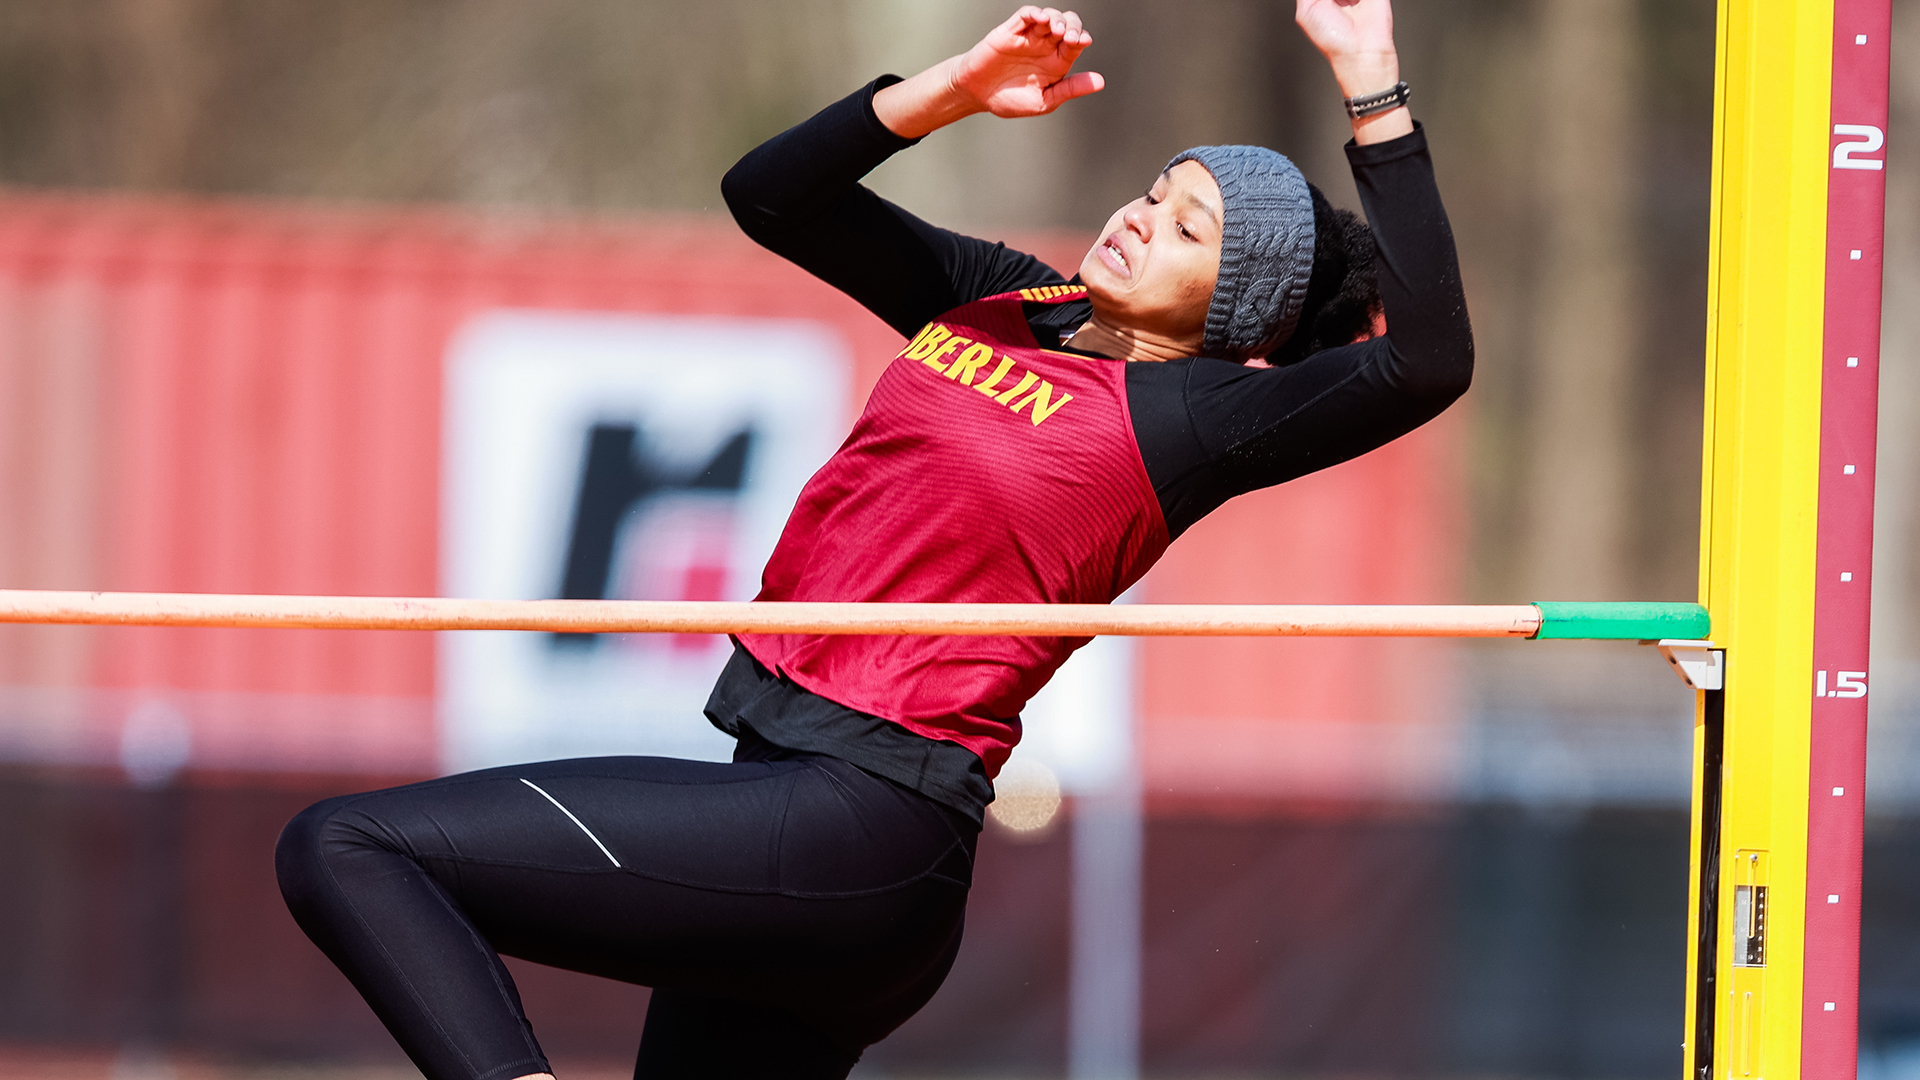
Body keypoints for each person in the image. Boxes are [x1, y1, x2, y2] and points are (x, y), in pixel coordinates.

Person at [274, 2, 1471, 1078]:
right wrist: (953, 90)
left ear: (1235, 310)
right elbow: (772, 196)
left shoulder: (1202, 419)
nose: (1139, 220)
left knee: (352, 845)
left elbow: (1427, 361)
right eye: (1156, 193)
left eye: (1188, 231)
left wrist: (1370, 80)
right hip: (796, 808)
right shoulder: (1007, 301)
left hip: (862, 831)